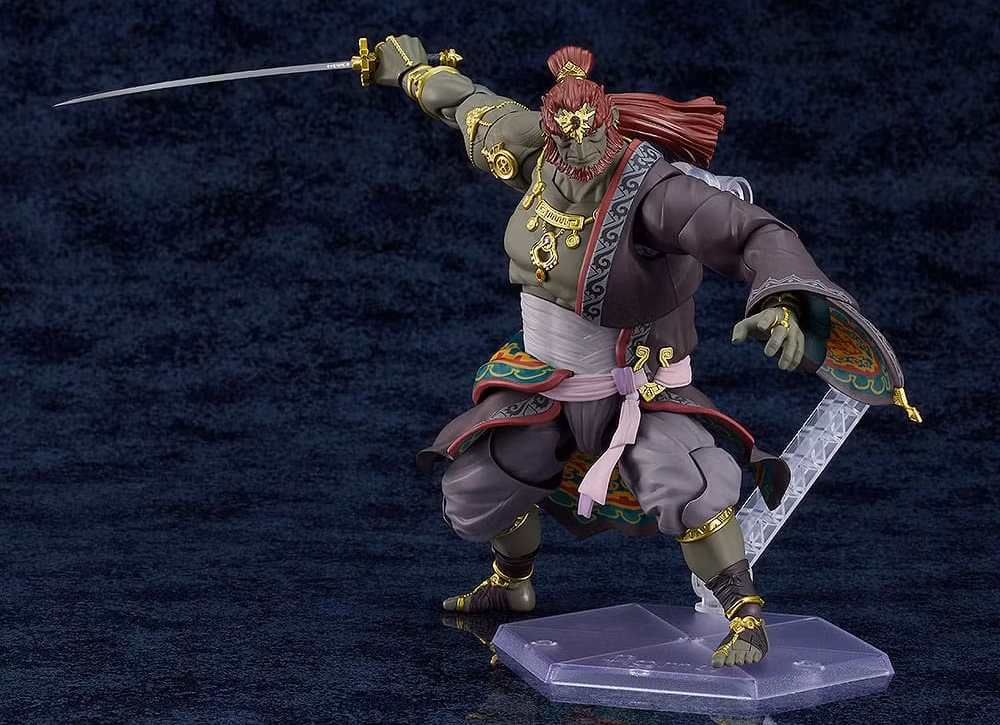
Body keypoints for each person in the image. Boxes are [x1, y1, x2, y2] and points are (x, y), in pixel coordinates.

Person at [371, 35, 917, 668]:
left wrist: (785, 301)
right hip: (546, 379)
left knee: (691, 487)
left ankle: (744, 616)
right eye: (565, 137)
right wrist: (409, 70)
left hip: (638, 385)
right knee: (480, 483)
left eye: (590, 135)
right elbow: (465, 102)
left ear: (608, 123)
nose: (579, 151)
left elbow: (752, 233)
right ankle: (512, 582)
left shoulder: (655, 194)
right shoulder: (532, 150)